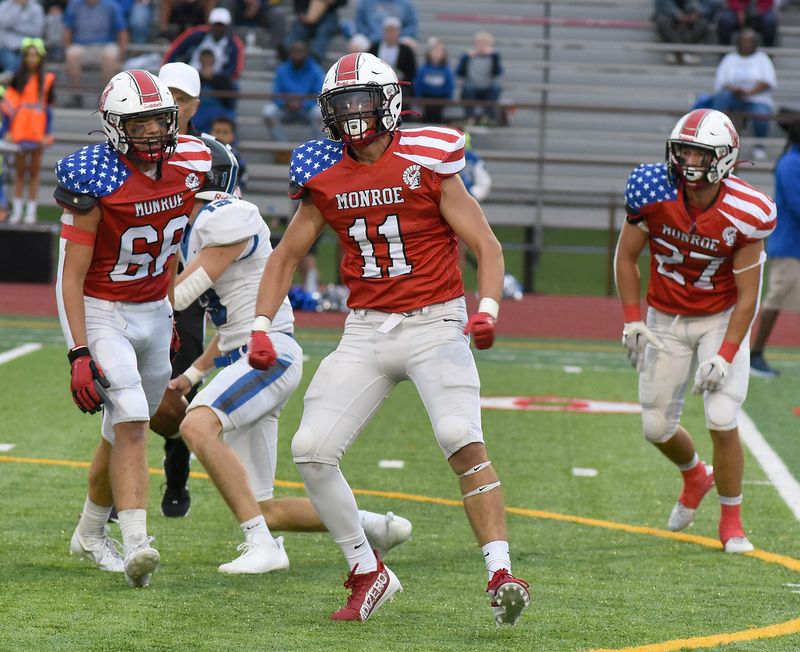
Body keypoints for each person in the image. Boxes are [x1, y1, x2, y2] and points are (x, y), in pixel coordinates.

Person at [247, 52, 530, 624]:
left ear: (390, 102)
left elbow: (489, 246)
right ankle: (366, 570)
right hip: (366, 328)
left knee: (460, 436)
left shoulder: (427, 158)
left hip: (435, 321)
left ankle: (500, 571)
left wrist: (490, 308)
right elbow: (285, 258)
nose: (353, 116)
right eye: (342, 105)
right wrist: (258, 325)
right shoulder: (322, 169)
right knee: (311, 449)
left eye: (363, 102)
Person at [168, 135, 412, 573]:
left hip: (267, 355)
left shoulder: (225, 216)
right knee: (263, 506)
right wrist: (192, 374)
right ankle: (377, 527)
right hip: (246, 356)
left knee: (197, 426)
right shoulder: (203, 224)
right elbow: (231, 325)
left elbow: (182, 294)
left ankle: (262, 547)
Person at [57, 69, 211, 587]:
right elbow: (71, 276)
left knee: (121, 427)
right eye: (138, 121)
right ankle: (137, 545)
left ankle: (89, 533)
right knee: (131, 417)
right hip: (104, 309)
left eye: (158, 119)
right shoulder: (93, 175)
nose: (151, 131)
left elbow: (168, 250)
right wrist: (79, 351)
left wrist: (169, 310)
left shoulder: (191, 162)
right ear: (114, 125)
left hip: (152, 310)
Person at [614, 108, 776, 555]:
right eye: (683, 149)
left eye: (700, 153)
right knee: (655, 426)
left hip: (721, 316)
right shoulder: (652, 191)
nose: (689, 160)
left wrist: (724, 354)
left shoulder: (747, 210)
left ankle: (732, 520)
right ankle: (694, 475)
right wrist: (632, 317)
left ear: (723, 159)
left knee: (722, 417)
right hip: (665, 316)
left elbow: (748, 296)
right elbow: (626, 257)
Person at [155, 61, 205, 517]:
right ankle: (110, 498)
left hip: (187, 286)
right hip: (137, 284)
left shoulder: (212, 157)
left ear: (194, 105)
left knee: (181, 383)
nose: (172, 105)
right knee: (121, 389)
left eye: (181, 98)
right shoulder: (126, 153)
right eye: (166, 94)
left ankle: (177, 477)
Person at [750, 108, 800, 377]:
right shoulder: (792, 164)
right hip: (791, 244)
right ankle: (754, 354)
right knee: (776, 298)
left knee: (779, 299)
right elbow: (796, 204)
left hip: (795, 244)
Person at [694, 28, 776, 161]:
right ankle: (713, 136)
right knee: (721, 97)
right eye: (744, 41)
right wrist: (735, 89)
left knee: (761, 112)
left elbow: (768, 82)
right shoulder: (730, 58)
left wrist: (749, 92)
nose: (746, 44)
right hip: (734, 97)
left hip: (756, 99)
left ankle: (759, 146)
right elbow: (721, 82)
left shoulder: (762, 58)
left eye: (749, 42)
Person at [2, 37, 54, 225]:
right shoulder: (17, 78)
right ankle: (17, 211)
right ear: (24, 57)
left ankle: (31, 212)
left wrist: (47, 133)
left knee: (34, 172)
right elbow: (9, 107)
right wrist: (7, 129)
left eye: (35, 55)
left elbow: (49, 110)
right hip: (19, 131)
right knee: (20, 172)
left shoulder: (47, 80)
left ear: (41, 58)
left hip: (38, 132)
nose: (32, 59)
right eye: (29, 55)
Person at [62, 0, 128, 108]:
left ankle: (104, 97)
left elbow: (122, 31)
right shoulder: (74, 5)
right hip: (81, 45)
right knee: (71, 55)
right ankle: (76, 96)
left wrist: (120, 59)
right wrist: (66, 51)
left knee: (110, 56)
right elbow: (67, 30)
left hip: (105, 44)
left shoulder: (112, 5)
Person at [262, 40, 324, 142]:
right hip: (286, 108)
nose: (297, 55)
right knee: (268, 112)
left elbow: (319, 95)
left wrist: (303, 103)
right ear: (290, 53)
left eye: (300, 51)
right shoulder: (282, 69)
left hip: (307, 109)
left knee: (320, 114)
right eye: (294, 51)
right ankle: (282, 148)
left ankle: (315, 147)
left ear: (306, 53)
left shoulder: (316, 70)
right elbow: (276, 93)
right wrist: (286, 103)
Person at [163, 7, 245, 84]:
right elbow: (175, 50)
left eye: (221, 25)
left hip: (218, 81)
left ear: (227, 26)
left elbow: (235, 69)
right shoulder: (196, 35)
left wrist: (214, 75)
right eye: (216, 25)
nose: (218, 28)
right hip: (190, 76)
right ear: (210, 24)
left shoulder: (234, 43)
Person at [456, 31, 503, 126]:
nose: (482, 46)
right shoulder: (468, 57)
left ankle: (486, 116)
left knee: (496, 87)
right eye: (480, 43)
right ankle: (470, 117)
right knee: (468, 87)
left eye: (485, 44)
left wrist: (495, 57)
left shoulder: (493, 57)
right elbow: (459, 73)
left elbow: (498, 72)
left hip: (487, 88)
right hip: (472, 88)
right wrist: (466, 58)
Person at [653, 0, 720, 65]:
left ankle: (683, 52)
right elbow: (662, 3)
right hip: (668, 13)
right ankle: (680, 51)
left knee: (703, 23)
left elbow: (712, 3)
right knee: (663, 21)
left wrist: (696, 13)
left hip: (690, 12)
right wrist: (677, 14)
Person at [284, 0, 347, 66]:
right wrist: (301, 12)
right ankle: (286, 52)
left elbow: (343, 2)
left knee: (324, 31)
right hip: (307, 13)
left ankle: (314, 60)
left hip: (328, 15)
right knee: (298, 30)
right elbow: (298, 4)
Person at [413, 37, 454, 125]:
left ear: (443, 54)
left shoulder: (447, 70)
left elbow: (450, 86)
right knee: (428, 111)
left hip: (440, 98)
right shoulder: (423, 68)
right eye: (434, 51)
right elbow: (418, 84)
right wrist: (418, 97)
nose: (436, 54)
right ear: (429, 53)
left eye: (439, 52)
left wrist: (449, 98)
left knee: (437, 110)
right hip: (426, 97)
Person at [0, 0, 44, 75]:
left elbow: (37, 31)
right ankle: (12, 84)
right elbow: (4, 22)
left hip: (28, 48)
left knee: (25, 59)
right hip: (6, 48)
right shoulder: (5, 6)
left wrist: (14, 27)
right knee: (12, 61)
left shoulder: (36, 8)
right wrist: (17, 7)